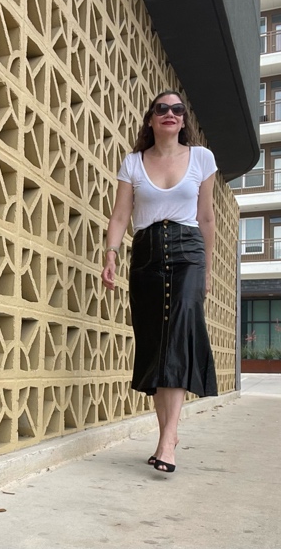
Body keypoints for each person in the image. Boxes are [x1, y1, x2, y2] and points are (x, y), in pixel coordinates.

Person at [101, 90, 218, 474]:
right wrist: (111, 254)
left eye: (177, 109)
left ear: (184, 120)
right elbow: (120, 215)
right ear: (151, 120)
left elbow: (206, 218)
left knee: (180, 337)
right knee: (156, 344)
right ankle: (167, 434)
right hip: (147, 253)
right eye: (161, 109)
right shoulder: (133, 162)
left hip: (187, 252)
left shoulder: (201, 158)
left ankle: (167, 441)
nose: (170, 114)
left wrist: (208, 269)